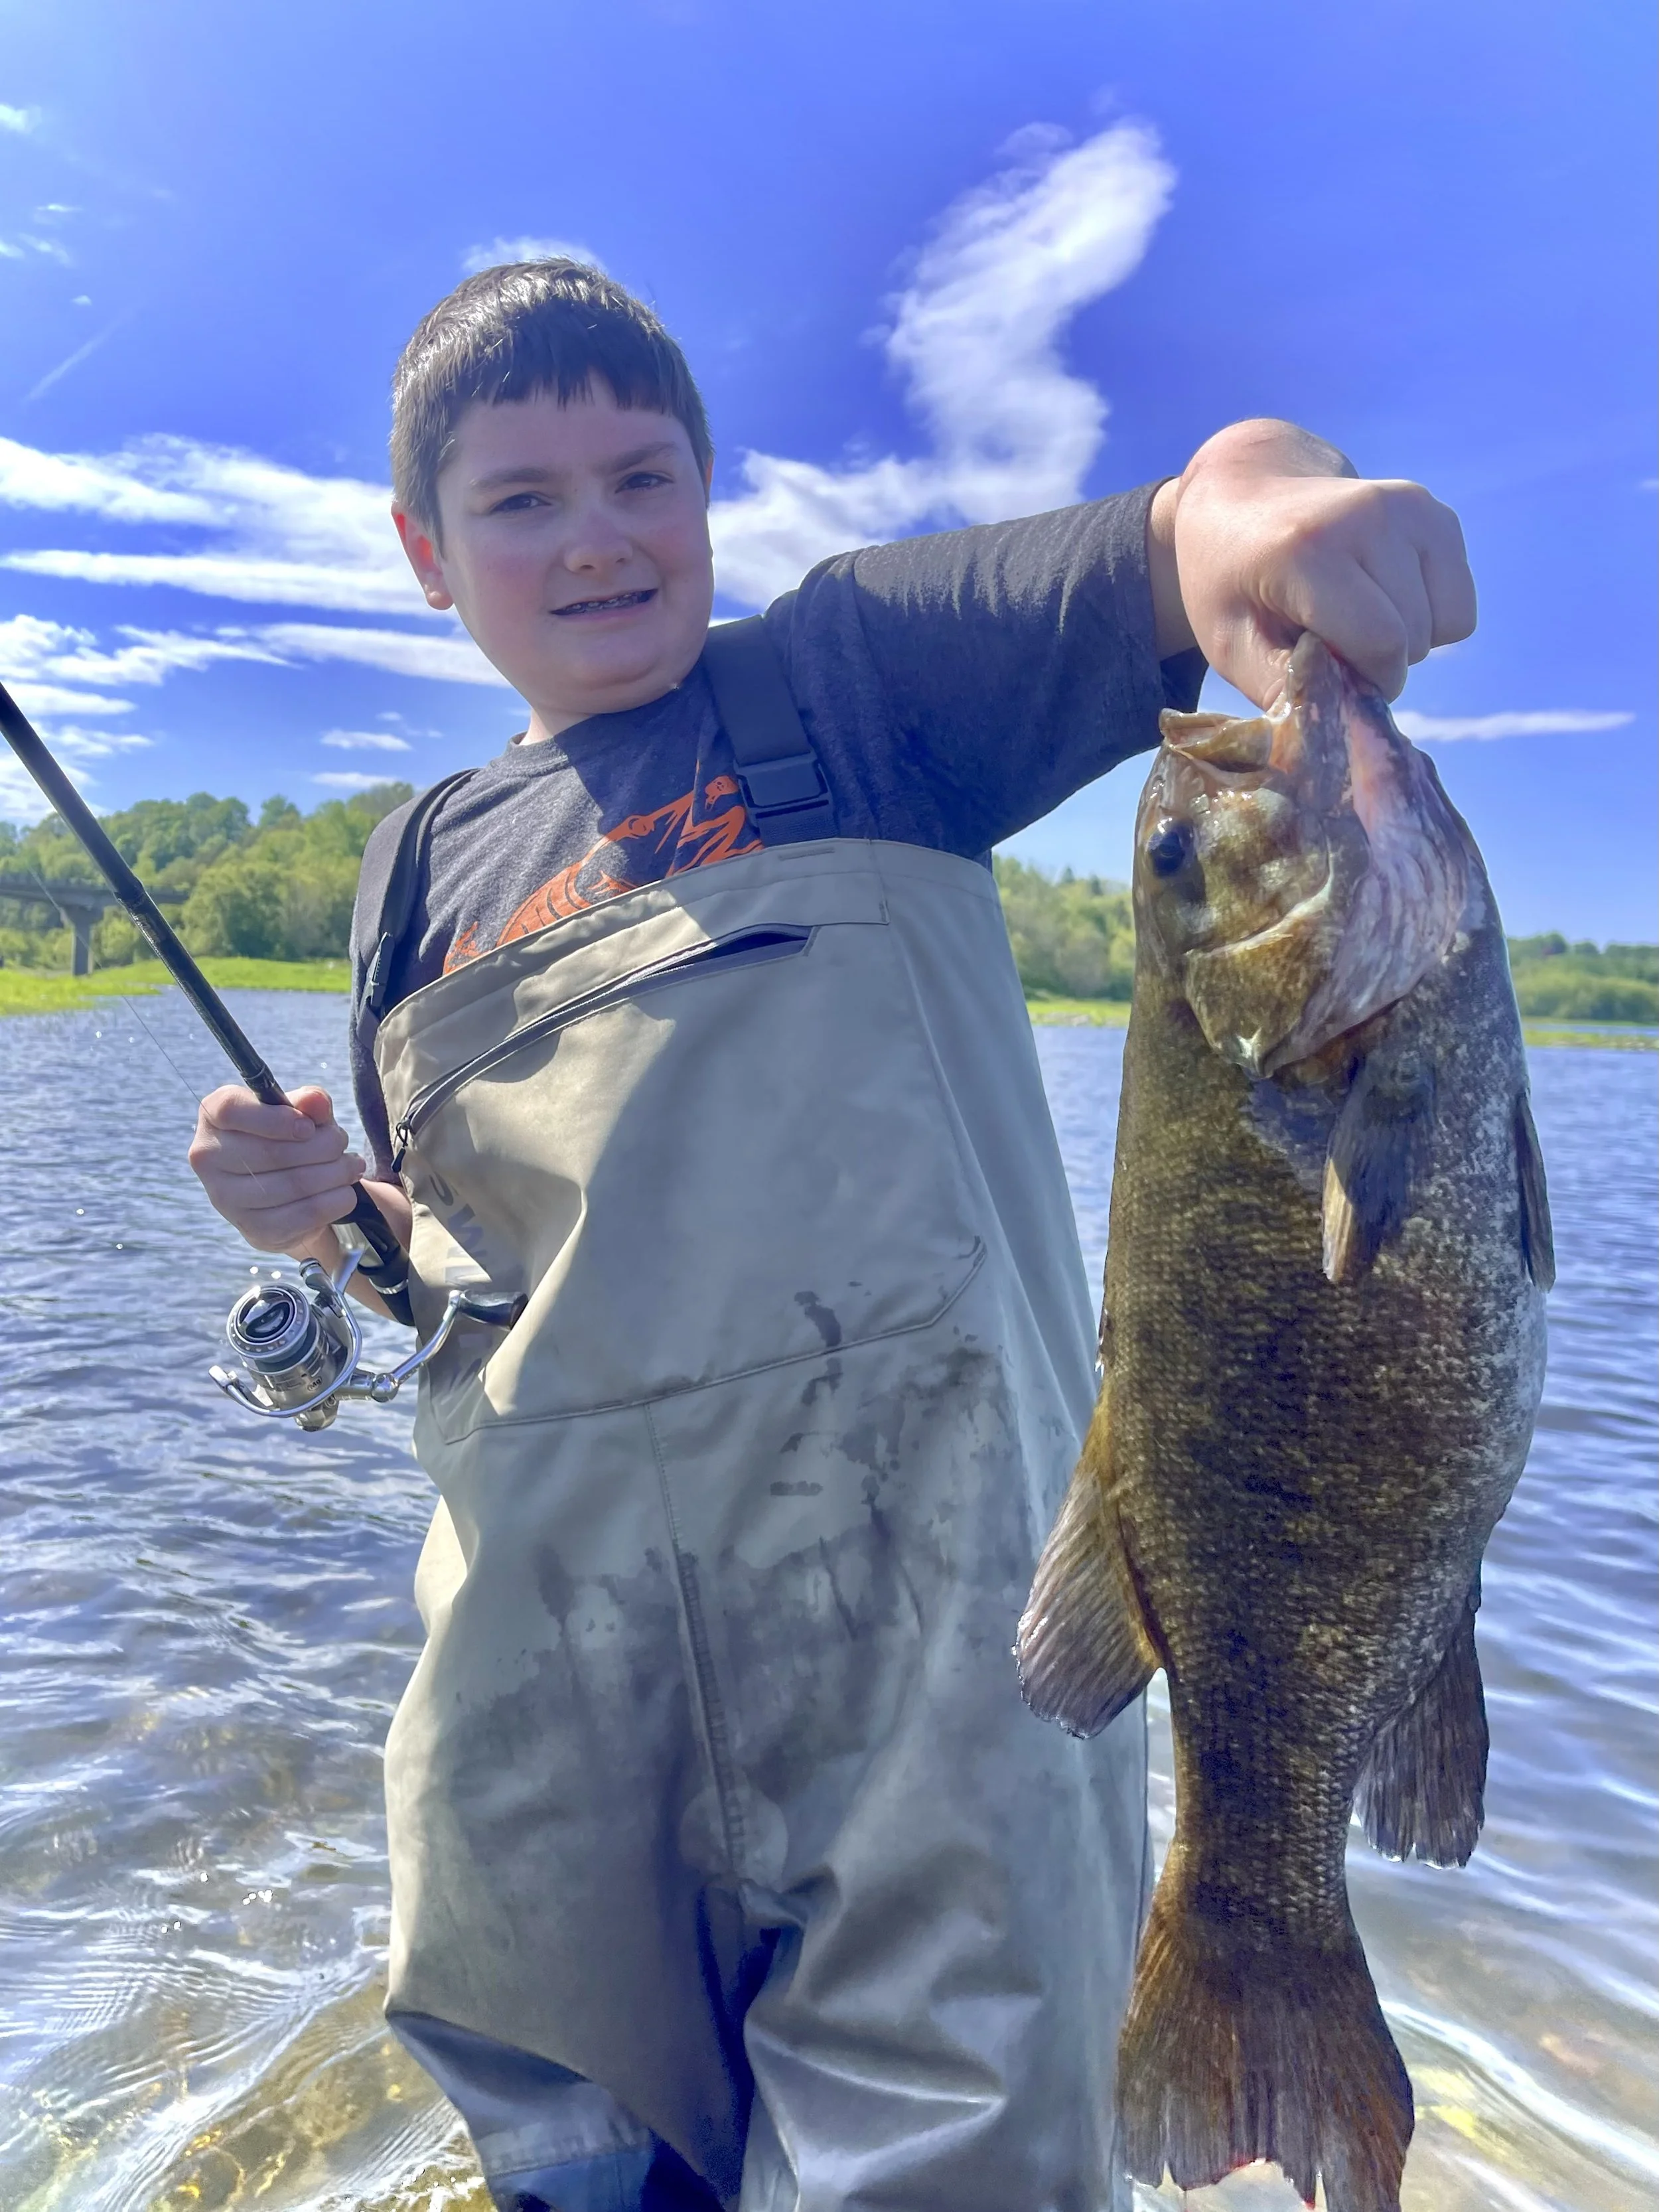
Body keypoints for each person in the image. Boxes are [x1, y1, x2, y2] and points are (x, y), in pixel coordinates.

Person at [187, 259, 1476, 2212]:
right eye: (519, 499)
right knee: (572, 2155)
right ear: (425, 554)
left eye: (640, 477)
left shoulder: (863, 685)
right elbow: (455, 1267)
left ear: (707, 490)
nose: (597, 535)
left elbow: (1189, 529)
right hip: (546, 1689)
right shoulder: (410, 871)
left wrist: (1276, 499)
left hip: (937, 1685)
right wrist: (333, 1220)